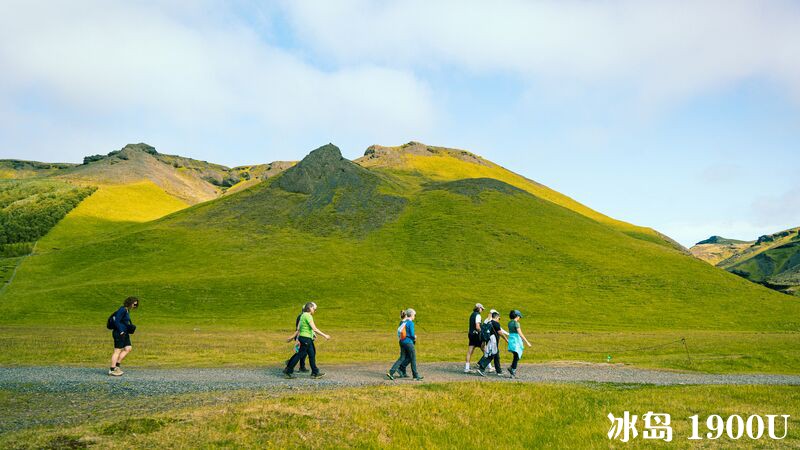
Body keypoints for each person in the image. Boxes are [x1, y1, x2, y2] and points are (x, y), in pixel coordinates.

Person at [284, 302, 330, 379]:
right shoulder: (308, 316)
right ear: (309, 308)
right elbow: (314, 328)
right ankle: (288, 371)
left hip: (306, 338)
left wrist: (293, 337)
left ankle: (315, 373)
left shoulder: (302, 316)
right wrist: (325, 335)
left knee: (312, 354)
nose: (315, 310)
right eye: (313, 308)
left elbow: (298, 329)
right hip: (306, 339)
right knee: (299, 355)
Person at [387, 308, 423, 381]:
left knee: (402, 357)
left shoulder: (403, 322)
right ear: (411, 315)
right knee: (413, 358)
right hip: (408, 342)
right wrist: (414, 337)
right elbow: (412, 334)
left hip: (402, 341)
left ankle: (391, 372)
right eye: (414, 315)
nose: (414, 317)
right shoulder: (410, 323)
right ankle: (415, 376)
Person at [109, 296, 139, 376]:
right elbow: (116, 321)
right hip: (119, 333)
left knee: (128, 348)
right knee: (117, 351)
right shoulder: (122, 309)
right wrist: (121, 330)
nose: (134, 306)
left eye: (136, 305)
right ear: (129, 303)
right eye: (134, 304)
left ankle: (117, 365)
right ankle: (112, 369)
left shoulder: (127, 310)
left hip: (125, 333)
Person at [476, 311, 508, 377]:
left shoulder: (489, 322)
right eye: (499, 318)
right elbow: (500, 332)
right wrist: (506, 339)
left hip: (489, 341)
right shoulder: (496, 323)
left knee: (496, 356)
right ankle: (481, 368)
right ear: (496, 317)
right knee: (491, 355)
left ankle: (499, 371)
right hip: (493, 342)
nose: (499, 319)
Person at [507, 310, 532, 378]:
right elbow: (520, 333)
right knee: (517, 356)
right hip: (516, 341)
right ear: (517, 316)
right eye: (519, 317)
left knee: (516, 356)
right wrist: (527, 342)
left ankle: (511, 368)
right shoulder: (516, 323)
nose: (519, 318)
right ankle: (512, 371)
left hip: (511, 340)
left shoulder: (509, 323)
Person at [285, 306, 309, 373]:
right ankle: (289, 364)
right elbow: (299, 329)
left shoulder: (304, 316)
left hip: (302, 336)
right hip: (300, 336)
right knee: (300, 353)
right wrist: (297, 339)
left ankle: (301, 367)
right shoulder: (302, 317)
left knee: (303, 353)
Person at [465, 303, 485, 373]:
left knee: (470, 351)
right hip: (477, 335)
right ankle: (488, 366)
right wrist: (482, 332)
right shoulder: (478, 315)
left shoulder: (472, 315)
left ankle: (466, 368)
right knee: (485, 350)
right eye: (482, 309)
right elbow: (477, 326)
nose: (482, 310)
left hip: (470, 334)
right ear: (479, 308)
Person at [396, 309, 409, 378]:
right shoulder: (405, 322)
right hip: (405, 341)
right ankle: (400, 369)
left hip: (401, 340)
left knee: (404, 356)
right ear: (406, 315)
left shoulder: (401, 322)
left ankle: (403, 372)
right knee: (406, 356)